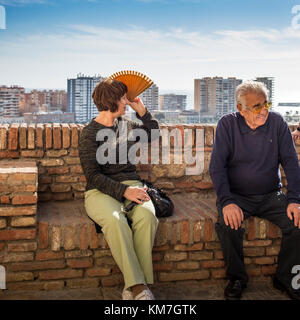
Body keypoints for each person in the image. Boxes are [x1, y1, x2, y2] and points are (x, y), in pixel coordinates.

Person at [209, 81, 300, 300]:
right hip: (236, 197)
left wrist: (295, 199)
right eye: (257, 107)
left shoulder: (277, 122)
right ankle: (237, 278)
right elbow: (217, 167)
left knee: (297, 222)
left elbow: (291, 163)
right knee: (228, 225)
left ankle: (286, 277)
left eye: (266, 103)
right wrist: (227, 201)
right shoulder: (227, 124)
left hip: (271, 195)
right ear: (241, 109)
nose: (264, 110)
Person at [78, 78, 159, 300]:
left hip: (131, 183)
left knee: (147, 216)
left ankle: (133, 285)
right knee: (116, 221)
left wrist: (142, 111)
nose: (126, 102)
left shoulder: (126, 125)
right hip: (99, 191)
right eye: (123, 98)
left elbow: (153, 133)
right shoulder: (88, 133)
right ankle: (139, 288)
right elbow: (93, 176)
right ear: (111, 100)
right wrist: (124, 192)